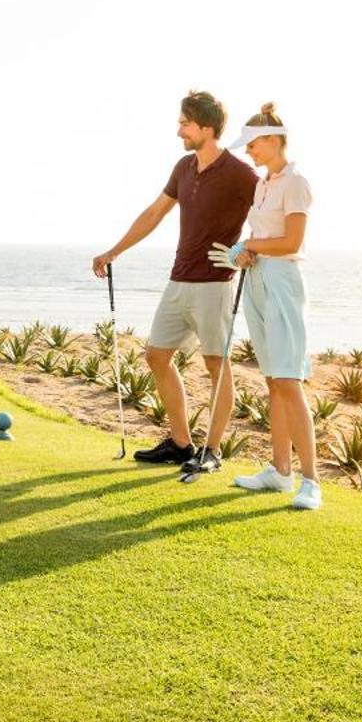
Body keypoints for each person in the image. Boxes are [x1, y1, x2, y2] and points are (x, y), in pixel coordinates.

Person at [91, 91, 257, 476]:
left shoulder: (239, 173)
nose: (179, 129)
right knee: (156, 356)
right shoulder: (184, 167)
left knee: (217, 364)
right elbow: (154, 213)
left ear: (206, 128)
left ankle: (212, 450)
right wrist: (114, 251)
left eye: (185, 122)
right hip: (178, 280)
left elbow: (268, 215)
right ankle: (182, 444)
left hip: (215, 284)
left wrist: (248, 248)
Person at [210, 105, 319, 510]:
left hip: (283, 283)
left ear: (273, 140)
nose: (249, 151)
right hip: (257, 279)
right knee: (272, 379)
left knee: (289, 380)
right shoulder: (263, 184)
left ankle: (311, 481)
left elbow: (291, 242)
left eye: (253, 143)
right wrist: (244, 253)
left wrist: (249, 245)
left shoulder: (297, 183)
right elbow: (260, 236)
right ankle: (280, 471)